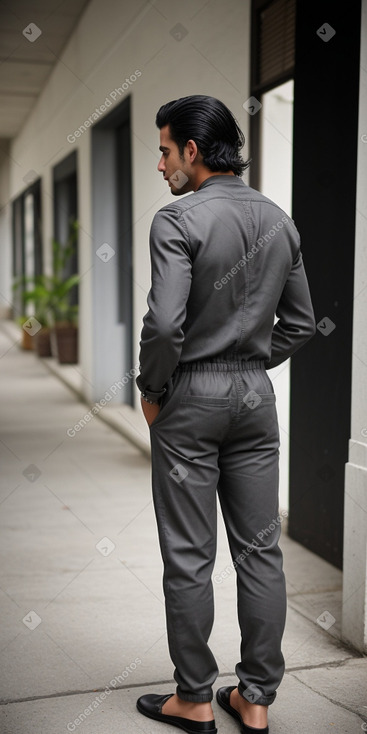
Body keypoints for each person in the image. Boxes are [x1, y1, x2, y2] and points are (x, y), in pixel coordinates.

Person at [135, 94, 316, 734]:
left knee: (189, 555)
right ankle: (257, 698)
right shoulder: (277, 218)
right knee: (260, 551)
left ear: (191, 151)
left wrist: (152, 388)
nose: (159, 166)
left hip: (189, 397)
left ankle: (193, 697)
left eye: (163, 151)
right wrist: (251, 363)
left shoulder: (175, 220)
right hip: (254, 401)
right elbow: (299, 322)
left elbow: (163, 325)